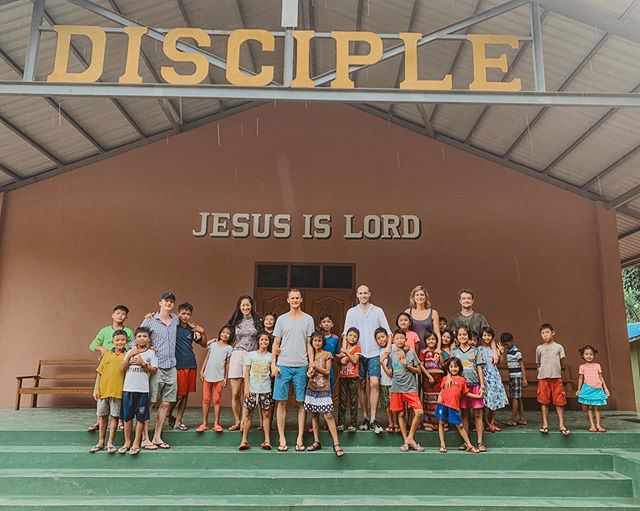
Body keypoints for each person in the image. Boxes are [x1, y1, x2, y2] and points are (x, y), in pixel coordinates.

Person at [343, 285, 391, 434]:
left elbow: (388, 332)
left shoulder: (378, 311)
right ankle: (364, 417)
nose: (363, 295)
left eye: (365, 293)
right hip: (358, 354)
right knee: (361, 385)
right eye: (360, 293)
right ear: (357, 295)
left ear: (369, 294)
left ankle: (373, 419)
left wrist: (387, 349)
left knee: (375, 383)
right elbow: (346, 333)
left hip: (375, 353)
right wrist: (345, 354)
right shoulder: (352, 312)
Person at [271, 289, 315, 452]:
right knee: (281, 402)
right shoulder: (281, 319)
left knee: (301, 403)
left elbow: (309, 344)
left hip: (301, 365)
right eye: (292, 298)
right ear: (288, 300)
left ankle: (299, 438)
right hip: (283, 365)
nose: (295, 300)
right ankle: (282, 438)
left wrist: (311, 364)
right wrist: (273, 364)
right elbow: (276, 343)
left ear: (301, 300)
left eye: (297, 298)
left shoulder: (308, 319)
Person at [140, 292, 179, 450]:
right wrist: (148, 349)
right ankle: (144, 438)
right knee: (150, 402)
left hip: (171, 366)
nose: (169, 303)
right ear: (160, 302)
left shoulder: (175, 319)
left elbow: (187, 322)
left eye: (171, 301)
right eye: (166, 301)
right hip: (156, 367)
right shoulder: (150, 320)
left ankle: (157, 436)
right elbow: (139, 338)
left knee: (166, 403)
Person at [87, 305, 134, 432]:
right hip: (106, 365)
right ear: (112, 315)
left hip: (121, 365)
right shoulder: (104, 331)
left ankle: (119, 420)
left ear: (126, 317)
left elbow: (132, 347)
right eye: (118, 313)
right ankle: (99, 421)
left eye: (123, 314)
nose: (120, 316)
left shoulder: (128, 332)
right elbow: (92, 345)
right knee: (101, 393)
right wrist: (102, 349)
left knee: (119, 393)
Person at [381, 329, 424, 452]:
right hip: (396, 388)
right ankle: (406, 441)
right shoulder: (392, 355)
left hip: (410, 388)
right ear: (393, 341)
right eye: (397, 338)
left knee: (419, 412)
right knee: (400, 414)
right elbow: (390, 373)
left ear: (406, 340)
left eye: (402, 338)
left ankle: (410, 438)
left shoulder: (411, 353)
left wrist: (408, 365)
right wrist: (382, 363)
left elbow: (419, 371)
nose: (399, 340)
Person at [118, 327, 157, 455]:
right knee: (127, 418)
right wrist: (130, 355)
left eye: (145, 336)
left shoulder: (151, 353)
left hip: (142, 391)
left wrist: (143, 363)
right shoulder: (129, 351)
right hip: (128, 389)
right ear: (135, 339)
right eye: (139, 336)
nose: (142, 339)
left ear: (149, 339)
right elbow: (121, 369)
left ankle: (136, 442)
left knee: (140, 418)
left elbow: (154, 370)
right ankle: (127, 442)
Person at [304, 331, 344, 457]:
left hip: (324, 389)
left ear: (323, 342)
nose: (317, 343)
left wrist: (315, 367)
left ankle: (336, 443)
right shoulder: (310, 357)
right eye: (315, 341)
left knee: (328, 415)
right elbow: (309, 371)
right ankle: (317, 441)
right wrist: (310, 372)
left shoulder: (327, 354)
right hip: (312, 388)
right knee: (314, 415)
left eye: (319, 340)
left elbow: (327, 371)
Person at [227, 296, 262, 431]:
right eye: (243, 305)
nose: (245, 308)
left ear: (252, 306)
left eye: (248, 305)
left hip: (252, 356)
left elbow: (265, 336)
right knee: (236, 393)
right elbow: (226, 335)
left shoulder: (258, 321)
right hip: (237, 355)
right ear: (239, 307)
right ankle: (237, 421)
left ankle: (244, 421)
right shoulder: (236, 321)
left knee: (248, 392)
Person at [169, 303, 207, 431]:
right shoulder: (173, 327)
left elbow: (203, 344)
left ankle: (178, 421)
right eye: (183, 313)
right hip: (178, 365)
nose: (185, 316)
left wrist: (202, 332)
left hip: (190, 363)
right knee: (178, 395)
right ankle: (168, 415)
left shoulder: (192, 330)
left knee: (185, 395)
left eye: (188, 314)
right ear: (178, 313)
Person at [89, 330, 127, 454]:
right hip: (103, 391)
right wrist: (96, 389)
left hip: (117, 392)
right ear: (113, 341)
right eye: (117, 340)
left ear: (126, 341)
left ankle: (110, 442)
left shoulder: (127, 356)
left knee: (114, 417)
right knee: (102, 416)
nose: (120, 342)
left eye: (122, 340)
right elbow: (100, 372)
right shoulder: (106, 354)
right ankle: (101, 442)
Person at [435, 357, 482, 453]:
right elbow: (442, 390)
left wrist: (478, 396)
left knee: (460, 425)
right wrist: (439, 395)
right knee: (441, 423)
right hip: (442, 404)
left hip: (453, 406)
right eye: (451, 367)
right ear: (448, 369)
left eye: (455, 366)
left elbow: (466, 393)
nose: (453, 369)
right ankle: (442, 444)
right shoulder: (445, 378)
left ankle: (469, 445)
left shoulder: (462, 380)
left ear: (459, 368)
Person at [452, 325, 487, 452]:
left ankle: (480, 442)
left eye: (465, 334)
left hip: (475, 385)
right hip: (461, 388)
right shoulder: (454, 352)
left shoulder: (475, 351)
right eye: (460, 335)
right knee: (464, 414)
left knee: (478, 414)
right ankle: (466, 442)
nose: (462, 337)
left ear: (469, 336)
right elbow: (452, 370)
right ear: (456, 337)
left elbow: (479, 368)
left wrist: (482, 385)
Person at [239, 331, 273, 450]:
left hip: (265, 389)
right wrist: (246, 388)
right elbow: (246, 372)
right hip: (252, 389)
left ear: (269, 342)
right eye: (262, 340)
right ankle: (244, 440)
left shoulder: (271, 356)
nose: (264, 342)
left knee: (266, 414)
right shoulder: (251, 355)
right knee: (248, 414)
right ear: (258, 341)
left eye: (266, 340)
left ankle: (267, 440)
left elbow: (272, 372)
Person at [197, 325, 234, 432]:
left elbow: (227, 364)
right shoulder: (213, 345)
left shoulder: (229, 348)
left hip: (219, 377)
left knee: (217, 400)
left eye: (228, 333)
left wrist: (225, 378)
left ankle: (216, 423)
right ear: (220, 333)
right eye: (223, 332)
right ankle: (204, 423)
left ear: (230, 336)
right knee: (206, 399)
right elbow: (207, 357)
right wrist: (202, 370)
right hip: (207, 375)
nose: (225, 334)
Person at [536, 323, 570, 436]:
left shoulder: (559, 347)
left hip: (556, 378)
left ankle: (561, 424)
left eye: (547, 332)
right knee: (544, 401)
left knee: (559, 402)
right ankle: (545, 424)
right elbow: (538, 362)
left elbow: (561, 362)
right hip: (543, 378)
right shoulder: (539, 348)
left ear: (553, 332)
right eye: (542, 333)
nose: (545, 335)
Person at [478, 327, 508, 432]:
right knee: (486, 402)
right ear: (481, 336)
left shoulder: (493, 350)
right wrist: (482, 380)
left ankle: (492, 422)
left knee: (494, 401)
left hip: (494, 377)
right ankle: (486, 422)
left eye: (489, 335)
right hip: (486, 377)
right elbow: (479, 367)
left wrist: (502, 353)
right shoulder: (479, 350)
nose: (487, 337)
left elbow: (501, 363)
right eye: (485, 335)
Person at [576, 345, 610, 432]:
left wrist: (605, 389)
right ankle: (592, 425)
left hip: (598, 388)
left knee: (597, 408)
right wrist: (579, 390)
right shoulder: (582, 367)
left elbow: (601, 378)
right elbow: (580, 379)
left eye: (591, 354)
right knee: (590, 408)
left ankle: (598, 425)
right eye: (586, 354)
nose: (589, 356)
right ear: (582, 355)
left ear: (594, 355)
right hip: (588, 389)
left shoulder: (597, 365)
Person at [499, 332, 528, 427]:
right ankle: (522, 418)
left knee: (514, 398)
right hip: (512, 377)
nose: (506, 346)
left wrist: (524, 378)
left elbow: (522, 365)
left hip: (517, 377)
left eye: (507, 344)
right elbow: (502, 363)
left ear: (512, 341)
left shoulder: (517, 352)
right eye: (504, 345)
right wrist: (502, 352)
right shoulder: (507, 352)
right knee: (518, 398)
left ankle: (513, 419)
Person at [337, 327, 361, 432]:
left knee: (353, 401)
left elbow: (355, 360)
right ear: (346, 337)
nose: (352, 338)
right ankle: (341, 423)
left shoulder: (357, 348)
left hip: (353, 377)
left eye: (355, 336)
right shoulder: (341, 349)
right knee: (342, 401)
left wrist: (346, 352)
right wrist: (340, 360)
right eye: (350, 335)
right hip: (343, 377)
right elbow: (338, 361)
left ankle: (353, 424)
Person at [405, 285, 442, 352]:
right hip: (411, 349)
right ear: (413, 297)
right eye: (417, 295)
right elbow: (404, 331)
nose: (420, 297)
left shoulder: (433, 313)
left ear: (426, 297)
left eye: (422, 295)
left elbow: (437, 333)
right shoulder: (408, 312)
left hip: (429, 349)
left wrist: (438, 348)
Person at [419, 330, 443, 431]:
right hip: (428, 380)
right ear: (425, 341)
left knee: (439, 401)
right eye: (429, 339)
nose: (431, 341)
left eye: (433, 339)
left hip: (439, 380)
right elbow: (421, 365)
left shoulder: (439, 352)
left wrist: (440, 354)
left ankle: (440, 423)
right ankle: (428, 423)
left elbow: (443, 364)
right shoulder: (423, 352)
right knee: (428, 400)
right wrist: (428, 375)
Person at [375, 328, 397, 432]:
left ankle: (396, 423)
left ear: (388, 337)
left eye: (383, 337)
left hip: (393, 382)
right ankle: (391, 423)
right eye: (378, 338)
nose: (381, 340)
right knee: (387, 405)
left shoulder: (393, 347)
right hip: (383, 382)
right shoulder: (378, 351)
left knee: (395, 404)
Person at [319, 313, 341, 390]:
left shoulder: (335, 338)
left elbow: (337, 353)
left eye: (328, 322)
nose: (326, 324)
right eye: (324, 322)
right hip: (318, 364)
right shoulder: (317, 338)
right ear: (320, 325)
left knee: (329, 386)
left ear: (332, 324)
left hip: (330, 366)